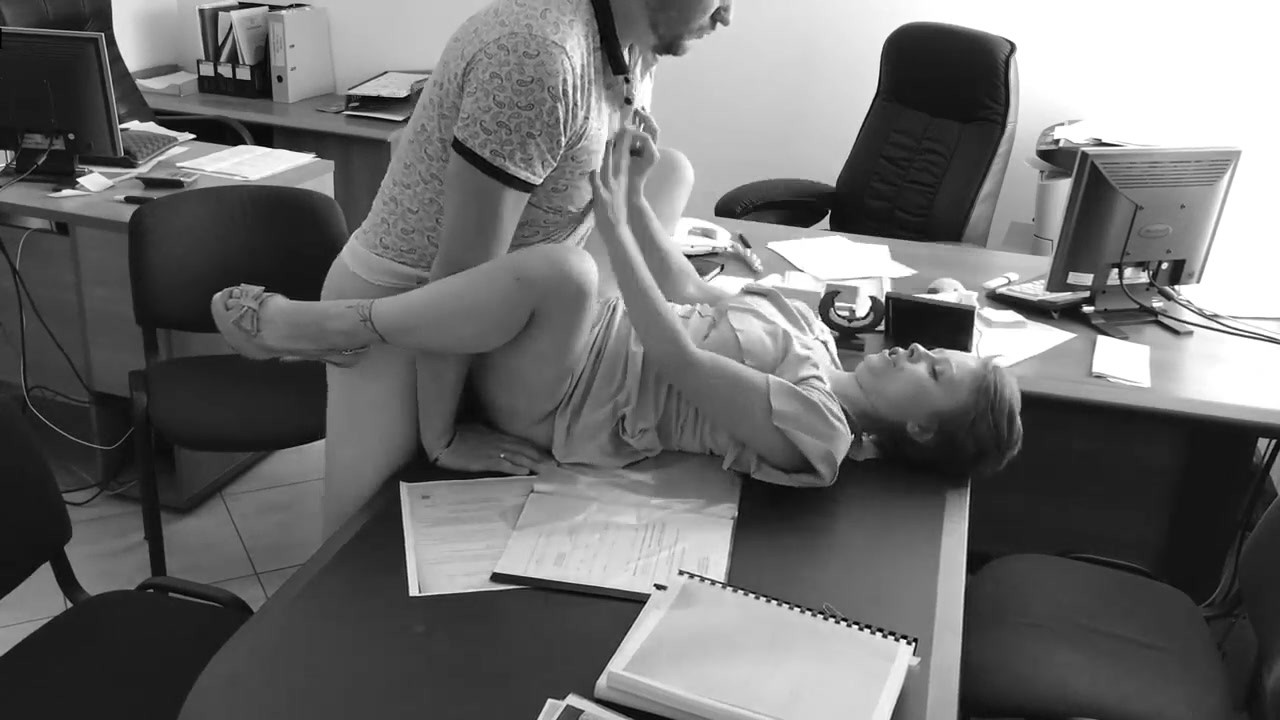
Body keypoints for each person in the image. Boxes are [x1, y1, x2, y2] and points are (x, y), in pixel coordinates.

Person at [213, 128, 1025, 495]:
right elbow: (686, 291)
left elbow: (677, 359)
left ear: (922, 429)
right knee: (669, 170)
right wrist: (631, 199)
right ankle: (395, 316)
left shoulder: (821, 432)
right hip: (599, 337)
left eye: (935, 373)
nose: (918, 351)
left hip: (571, 401)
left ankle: (334, 327)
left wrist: (607, 222)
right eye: (935, 353)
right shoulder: (811, 330)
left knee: (567, 274)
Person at [318, 0, 735, 531]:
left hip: (506, 303)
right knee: (358, 541)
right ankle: (310, 328)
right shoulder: (538, 56)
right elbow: (461, 275)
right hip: (408, 299)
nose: (726, 17)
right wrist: (441, 435)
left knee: (672, 170)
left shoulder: (635, 46)